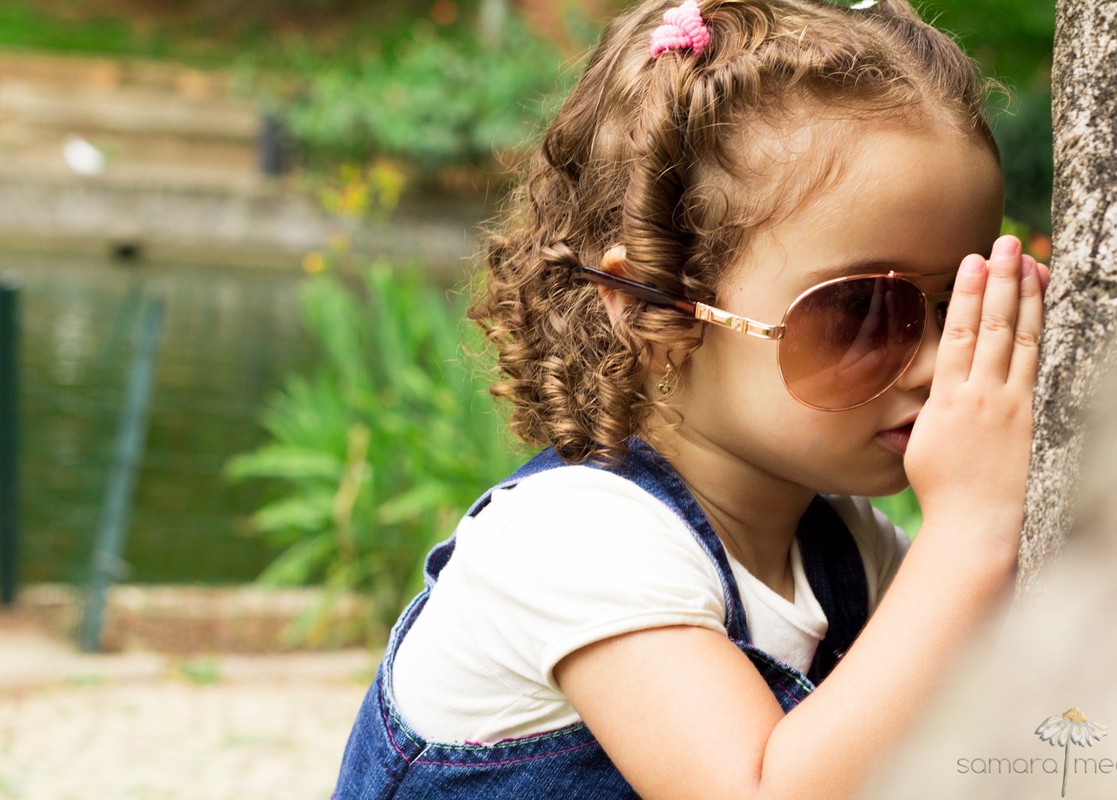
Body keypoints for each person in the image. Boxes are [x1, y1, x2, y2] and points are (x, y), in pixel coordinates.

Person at [334, 0, 1048, 796]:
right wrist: (973, 528)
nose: (931, 363)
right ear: (658, 306)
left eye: (964, 307)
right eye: (862, 310)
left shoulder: (853, 553)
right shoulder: (572, 538)